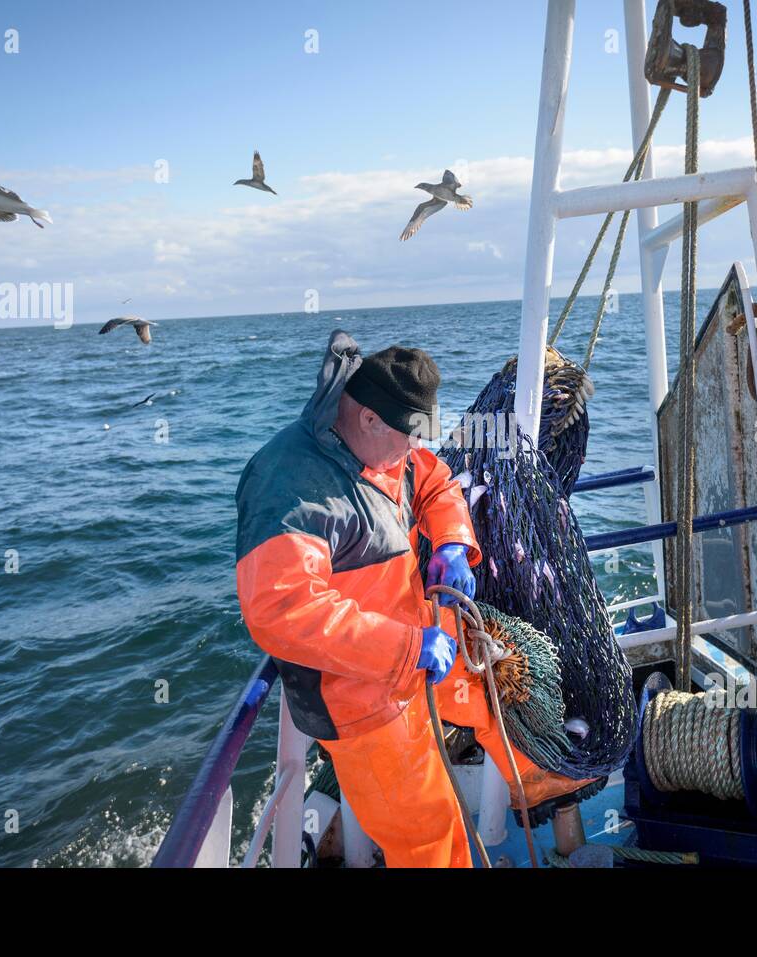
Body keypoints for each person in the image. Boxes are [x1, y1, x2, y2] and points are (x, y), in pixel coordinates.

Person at [234, 330, 597, 867]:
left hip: (420, 650)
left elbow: (436, 480)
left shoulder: (385, 446)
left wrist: (453, 542)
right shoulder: (289, 485)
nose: (415, 450)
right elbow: (282, 610)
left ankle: (535, 781)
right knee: (432, 834)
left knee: (494, 687)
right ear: (368, 418)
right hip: (359, 701)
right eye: (409, 437)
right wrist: (407, 648)